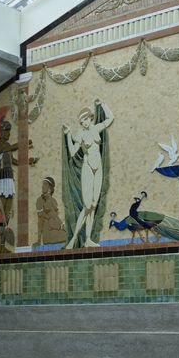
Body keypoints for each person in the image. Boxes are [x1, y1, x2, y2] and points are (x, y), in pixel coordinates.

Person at [62, 99, 114, 248]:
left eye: (85, 119)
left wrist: (103, 104)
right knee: (86, 206)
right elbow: (72, 152)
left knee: (92, 205)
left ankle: (88, 240)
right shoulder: (81, 134)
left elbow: (111, 118)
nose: (84, 123)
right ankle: (73, 240)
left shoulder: (96, 128)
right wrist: (68, 135)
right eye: (81, 121)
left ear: (90, 118)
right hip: (87, 168)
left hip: (98, 168)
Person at [0, 116, 37, 252]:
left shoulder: (7, 148)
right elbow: (10, 147)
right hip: (1, 179)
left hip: (9, 178)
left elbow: (15, 162)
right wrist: (23, 143)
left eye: (9, 131)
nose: (8, 133)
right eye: (7, 131)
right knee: (0, 211)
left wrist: (28, 161)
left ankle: (4, 243)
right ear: (1, 131)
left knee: (7, 211)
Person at [34, 176, 67, 245]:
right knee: (64, 237)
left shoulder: (53, 200)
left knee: (67, 235)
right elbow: (40, 220)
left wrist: (62, 225)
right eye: (43, 184)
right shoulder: (40, 200)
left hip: (56, 227)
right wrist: (39, 240)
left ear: (50, 188)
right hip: (48, 230)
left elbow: (56, 217)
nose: (42, 186)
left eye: (45, 184)